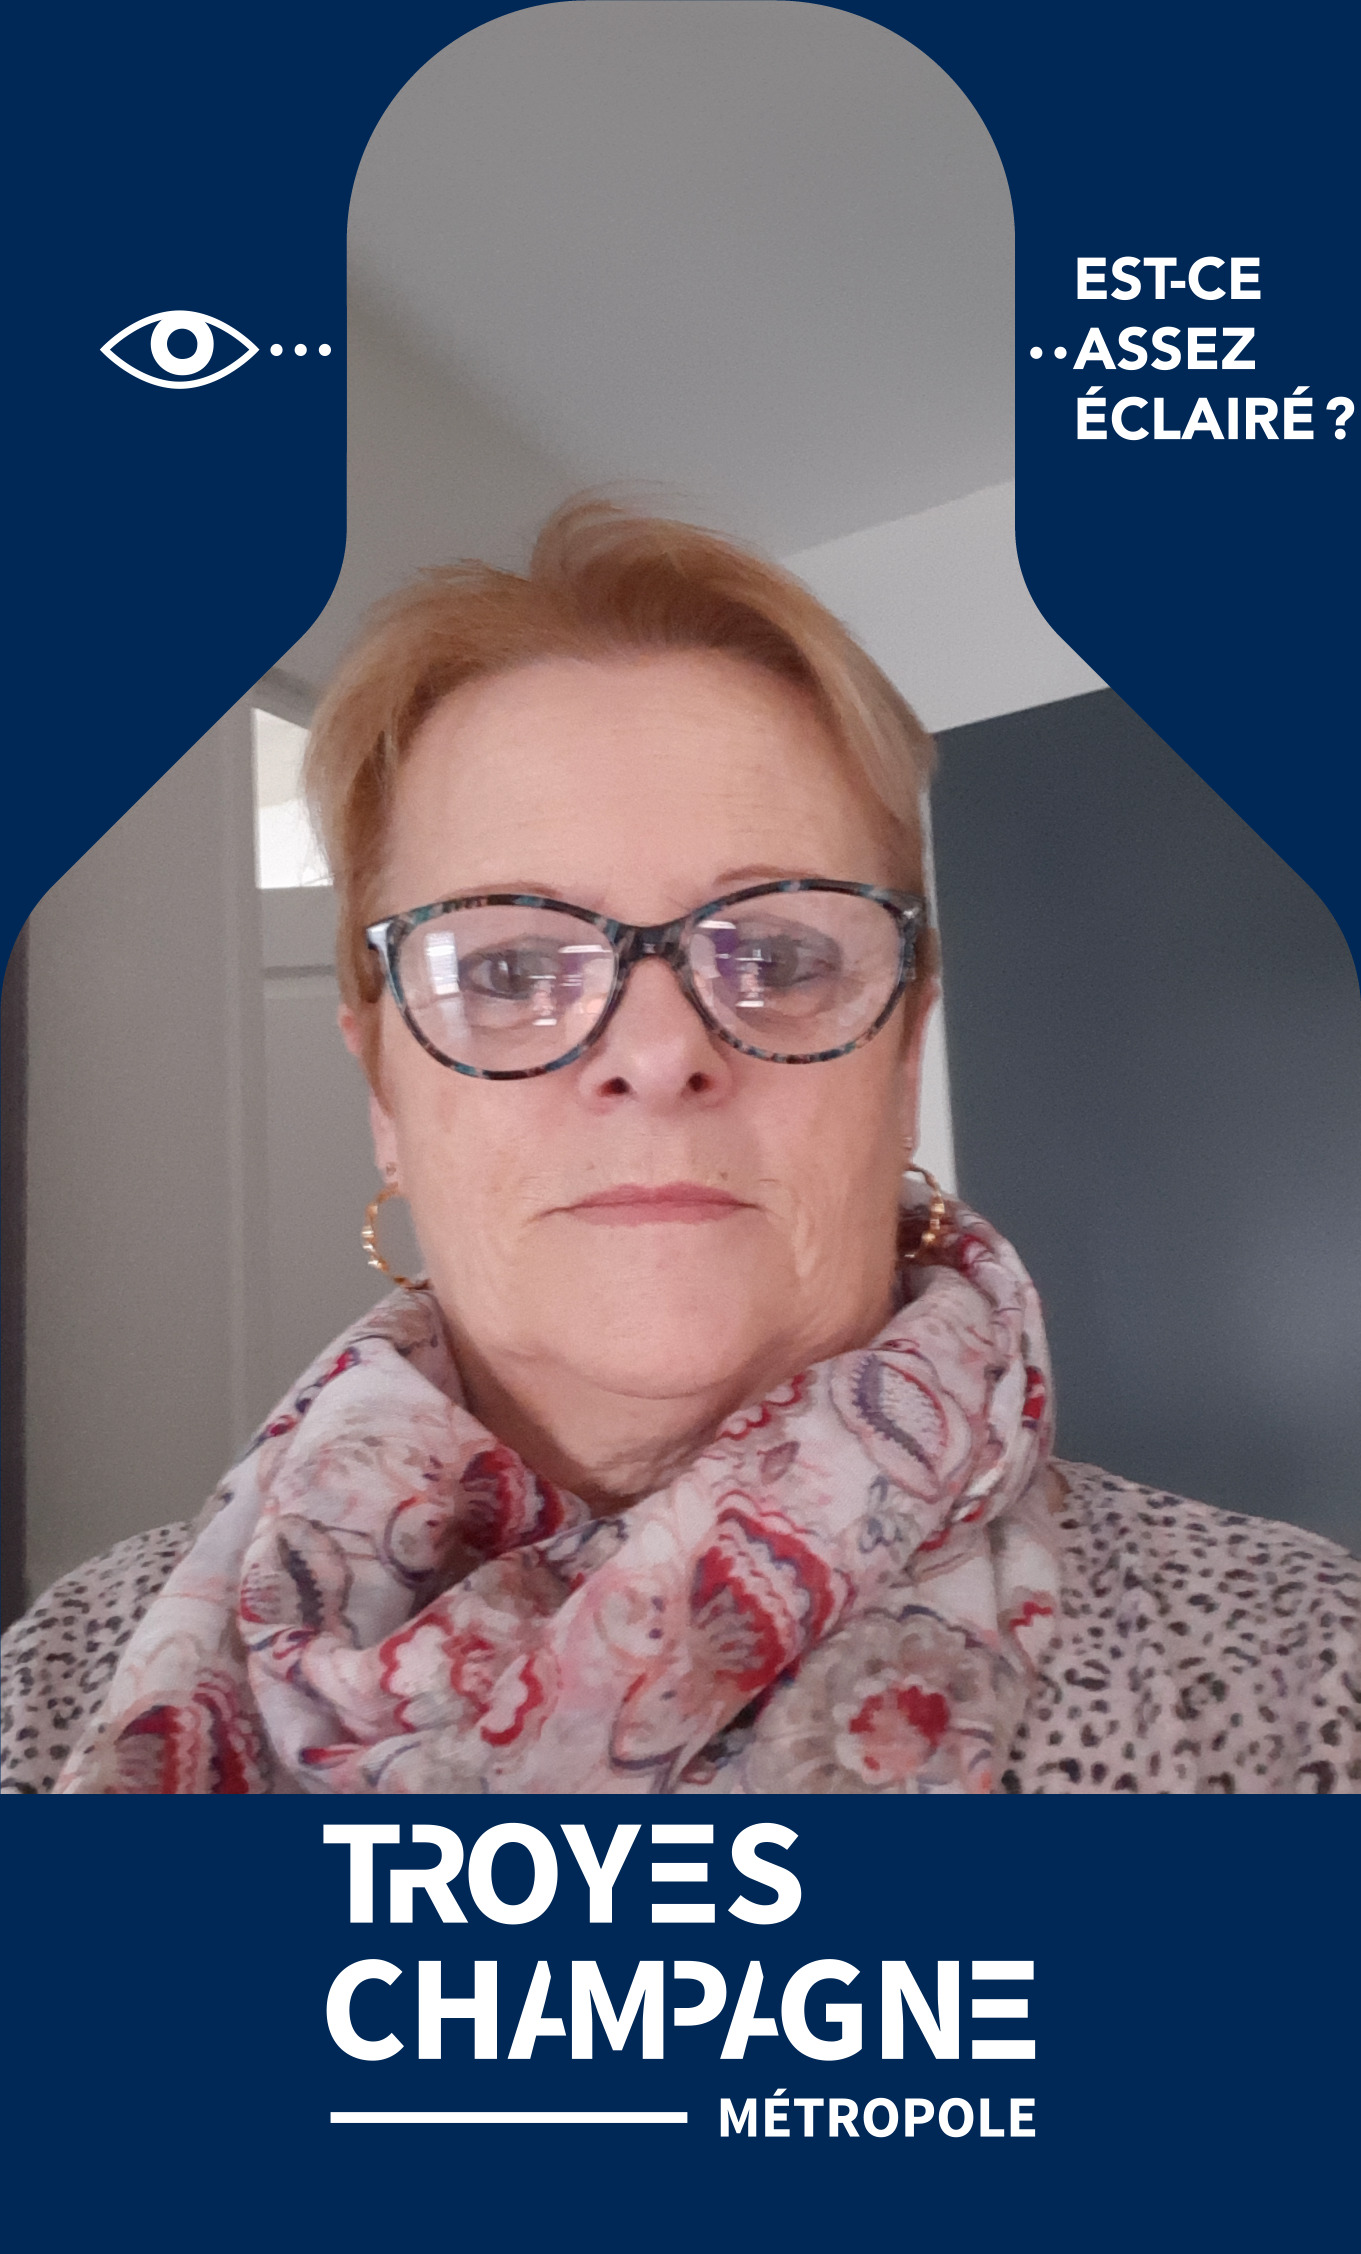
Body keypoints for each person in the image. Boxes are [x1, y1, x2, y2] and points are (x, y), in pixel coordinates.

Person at [3, 500, 1356, 1794]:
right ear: (384, 1093)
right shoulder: (50, 1683)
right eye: (511, 967)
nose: (656, 1053)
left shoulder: (1306, 1670)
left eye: (778, 954)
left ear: (902, 1056)